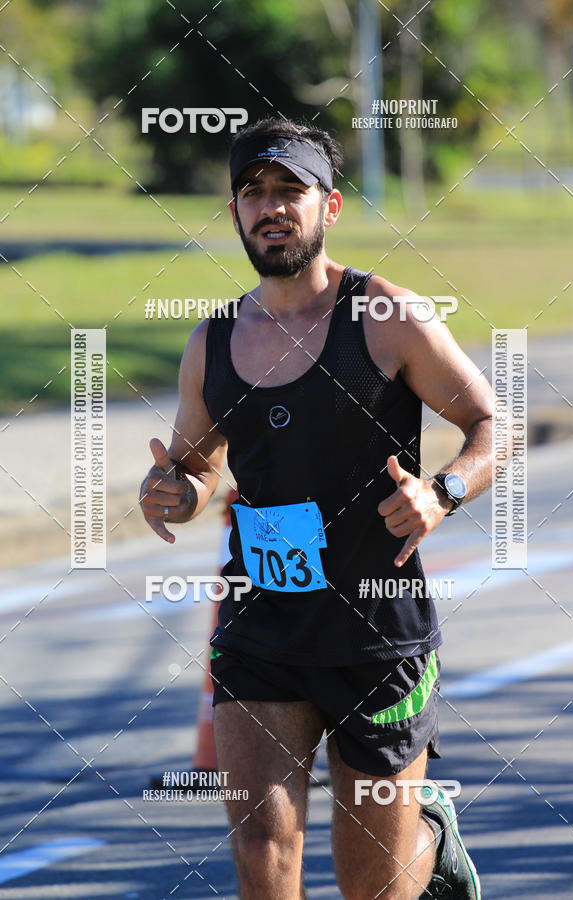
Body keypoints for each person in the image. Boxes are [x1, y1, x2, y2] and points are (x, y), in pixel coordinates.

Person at [139, 117, 493, 899]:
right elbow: (197, 468)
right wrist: (174, 492)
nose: (271, 208)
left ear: (328, 207)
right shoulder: (214, 340)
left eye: (289, 191)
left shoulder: (389, 316)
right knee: (264, 852)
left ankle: (429, 837)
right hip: (260, 624)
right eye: (252, 193)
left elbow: (487, 424)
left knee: (373, 884)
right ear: (234, 213)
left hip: (377, 634)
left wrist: (444, 493)